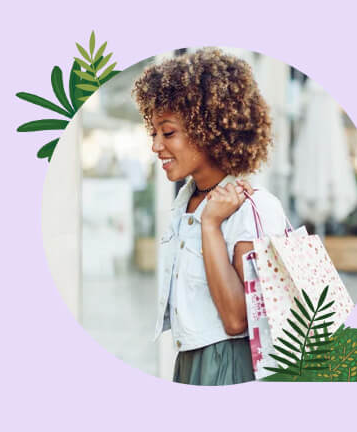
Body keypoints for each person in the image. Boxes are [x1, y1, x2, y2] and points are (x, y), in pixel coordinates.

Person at [132, 47, 288, 385]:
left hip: (228, 367)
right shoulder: (186, 202)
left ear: (209, 129)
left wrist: (211, 224)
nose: (156, 145)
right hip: (188, 362)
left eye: (168, 132)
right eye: (153, 132)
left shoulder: (251, 208)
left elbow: (236, 320)